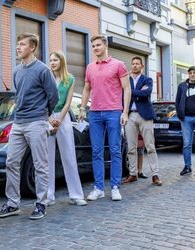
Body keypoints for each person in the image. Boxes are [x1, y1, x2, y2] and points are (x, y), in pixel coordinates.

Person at [0, 33, 59, 220]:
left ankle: (41, 203)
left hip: (37, 122)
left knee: (40, 165)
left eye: (22, 44)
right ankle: (13, 203)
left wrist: (43, 113)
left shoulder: (43, 70)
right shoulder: (16, 71)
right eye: (17, 44)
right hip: (18, 122)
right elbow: (19, 95)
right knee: (11, 162)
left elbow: (53, 95)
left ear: (32, 48)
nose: (18, 47)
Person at [78, 34, 131, 201]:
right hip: (94, 113)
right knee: (97, 152)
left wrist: (125, 112)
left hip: (114, 112)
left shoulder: (119, 65)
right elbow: (86, 89)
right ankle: (99, 188)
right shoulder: (90, 67)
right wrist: (81, 108)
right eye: (93, 46)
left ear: (105, 45)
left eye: (98, 45)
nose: (95, 48)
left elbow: (127, 89)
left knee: (115, 150)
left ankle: (115, 187)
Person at [46, 51, 87, 206]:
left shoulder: (69, 79)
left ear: (61, 61)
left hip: (63, 118)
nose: (52, 63)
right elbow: (43, 100)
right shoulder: (46, 78)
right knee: (47, 158)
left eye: (55, 60)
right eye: (50, 60)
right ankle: (49, 195)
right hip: (48, 117)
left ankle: (76, 195)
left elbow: (68, 102)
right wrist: (50, 118)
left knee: (69, 156)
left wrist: (59, 119)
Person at [123, 56, 162, 186]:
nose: (134, 66)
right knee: (131, 147)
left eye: (137, 64)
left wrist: (130, 92)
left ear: (142, 66)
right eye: (133, 64)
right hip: (130, 115)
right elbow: (121, 94)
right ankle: (133, 174)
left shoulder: (148, 79)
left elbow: (147, 93)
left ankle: (155, 175)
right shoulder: (126, 80)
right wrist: (136, 92)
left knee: (150, 146)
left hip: (145, 115)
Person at [175, 66, 195, 175]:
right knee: (187, 144)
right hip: (186, 119)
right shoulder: (182, 86)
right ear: (188, 74)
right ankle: (187, 166)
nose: (192, 74)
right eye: (190, 73)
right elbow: (177, 101)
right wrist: (180, 114)